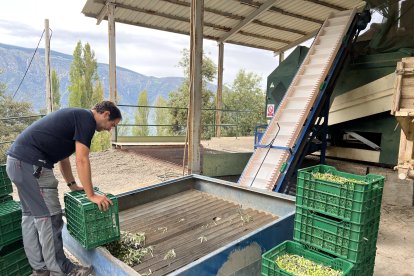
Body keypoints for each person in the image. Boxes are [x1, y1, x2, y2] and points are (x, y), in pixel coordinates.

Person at [6, 101, 122, 276]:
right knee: (50, 218)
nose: (109, 129)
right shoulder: (86, 120)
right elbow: (82, 159)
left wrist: (71, 184)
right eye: (111, 125)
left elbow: (64, 158)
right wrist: (91, 195)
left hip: (17, 163)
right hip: (33, 167)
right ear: (105, 114)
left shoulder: (75, 117)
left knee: (31, 216)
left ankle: (40, 268)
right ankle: (62, 269)